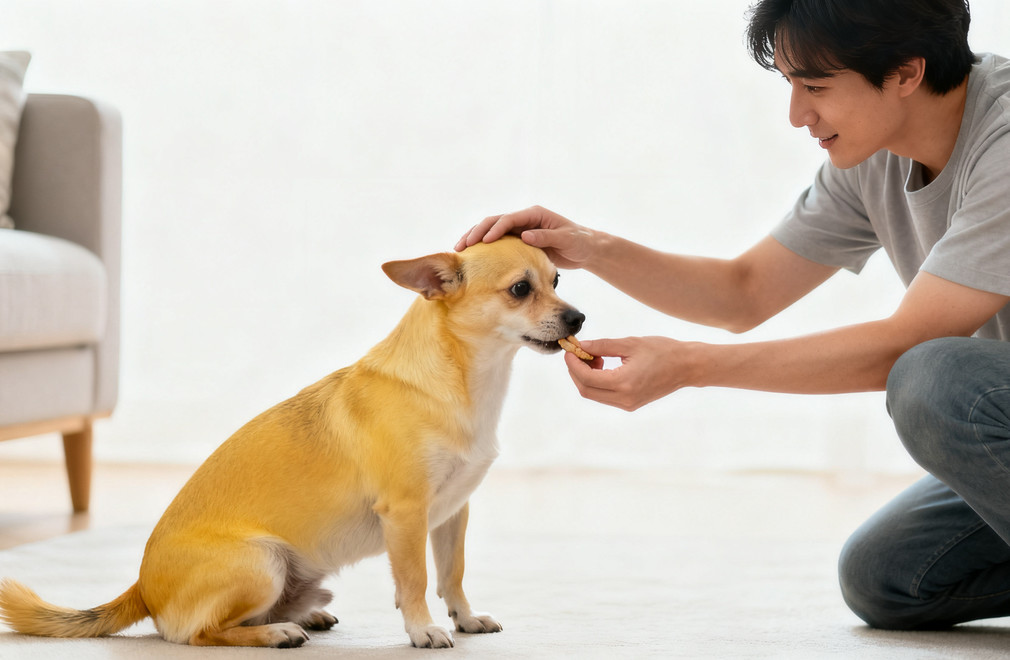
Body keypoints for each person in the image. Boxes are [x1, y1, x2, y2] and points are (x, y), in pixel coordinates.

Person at [457, 0, 1010, 632]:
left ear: (907, 73)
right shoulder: (875, 153)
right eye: (790, 84)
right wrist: (588, 247)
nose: (798, 115)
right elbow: (742, 293)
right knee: (889, 578)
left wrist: (690, 366)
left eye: (816, 87)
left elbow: (906, 346)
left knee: (934, 380)